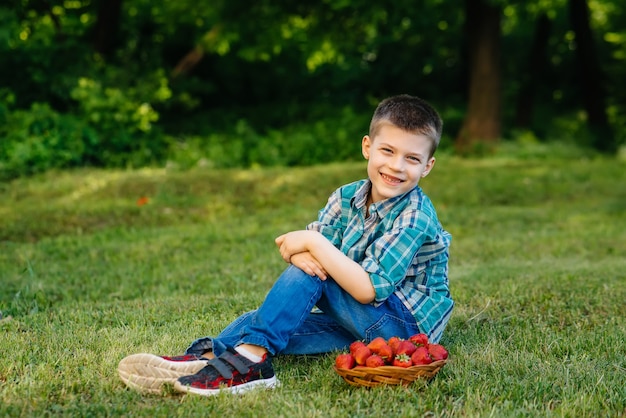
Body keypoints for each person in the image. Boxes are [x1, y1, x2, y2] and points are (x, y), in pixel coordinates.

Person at [118, 94, 454, 396]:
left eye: (412, 159)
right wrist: (309, 250)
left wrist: (310, 242)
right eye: (387, 151)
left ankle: (250, 364)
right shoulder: (346, 197)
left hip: (405, 330)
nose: (396, 166)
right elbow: (295, 254)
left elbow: (367, 289)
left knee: (309, 278)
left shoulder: (415, 216)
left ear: (427, 166)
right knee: (272, 319)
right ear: (367, 147)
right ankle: (207, 358)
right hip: (361, 322)